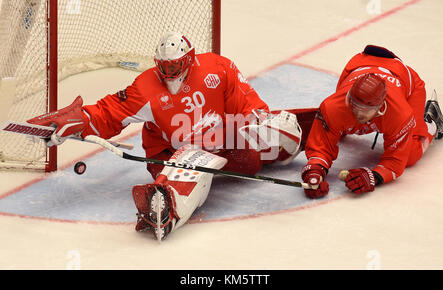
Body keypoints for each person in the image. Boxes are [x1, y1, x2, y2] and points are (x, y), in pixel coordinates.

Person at [27, 32, 307, 241]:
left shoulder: (217, 69)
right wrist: (83, 120)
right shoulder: (147, 86)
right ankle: (168, 201)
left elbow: (245, 100)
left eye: (176, 67)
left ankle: (284, 144)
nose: (170, 74)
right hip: (167, 154)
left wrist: (260, 120)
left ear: (190, 59)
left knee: (251, 161)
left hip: (219, 145)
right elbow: (110, 111)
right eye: (165, 67)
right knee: (191, 170)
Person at [300, 45, 443, 199]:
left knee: (410, 154)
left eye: (364, 109)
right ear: (349, 97)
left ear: (380, 108)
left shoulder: (400, 114)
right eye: (354, 105)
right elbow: (320, 147)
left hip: (406, 81)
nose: (357, 112)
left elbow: (396, 161)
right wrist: (314, 171)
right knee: (336, 126)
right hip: (358, 64)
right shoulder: (333, 106)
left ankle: (431, 120)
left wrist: (374, 176)